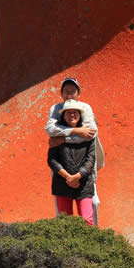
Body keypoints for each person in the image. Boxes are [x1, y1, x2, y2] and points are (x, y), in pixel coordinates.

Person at [45, 77, 104, 225]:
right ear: (61, 93)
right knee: (64, 217)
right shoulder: (56, 109)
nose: (69, 95)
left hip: (84, 176)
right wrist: (76, 131)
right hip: (62, 174)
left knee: (93, 206)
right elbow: (50, 130)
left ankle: (94, 241)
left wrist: (63, 138)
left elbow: (91, 134)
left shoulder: (86, 108)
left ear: (78, 93)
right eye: (66, 91)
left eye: (73, 91)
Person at [47, 99, 96, 225]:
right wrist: (68, 177)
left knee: (87, 221)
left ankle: (88, 244)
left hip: (83, 184)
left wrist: (78, 176)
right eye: (68, 113)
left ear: (80, 116)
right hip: (62, 184)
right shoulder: (56, 137)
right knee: (65, 223)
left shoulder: (88, 135)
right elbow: (52, 160)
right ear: (63, 116)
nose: (72, 115)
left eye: (75, 112)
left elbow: (90, 159)